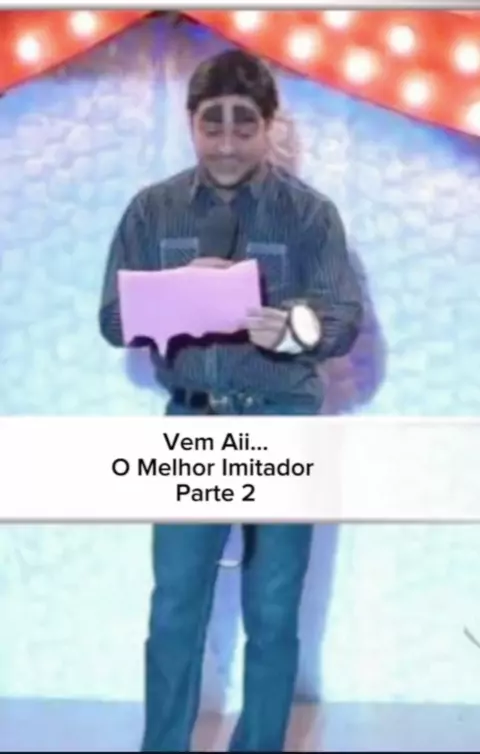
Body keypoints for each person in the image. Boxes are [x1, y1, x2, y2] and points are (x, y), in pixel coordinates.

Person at [99, 48, 363, 752]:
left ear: (270, 126)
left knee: (273, 609)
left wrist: (293, 329)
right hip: (193, 422)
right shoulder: (152, 210)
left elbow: (342, 320)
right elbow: (113, 320)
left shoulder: (309, 214)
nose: (225, 143)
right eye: (210, 126)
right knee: (176, 605)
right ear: (190, 123)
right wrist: (178, 292)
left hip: (284, 424)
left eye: (243, 127)